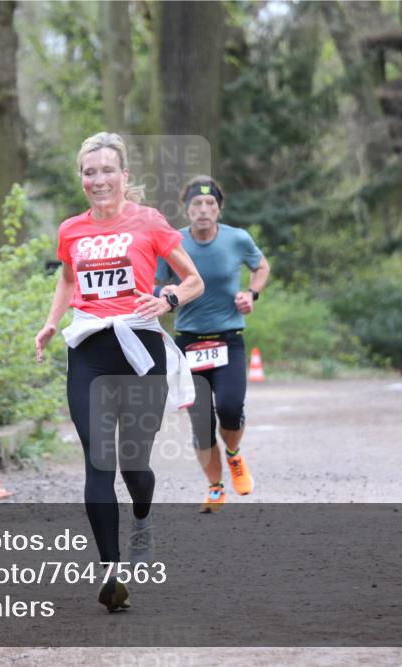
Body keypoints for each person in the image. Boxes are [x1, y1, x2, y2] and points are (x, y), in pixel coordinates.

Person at [34, 132, 204, 612]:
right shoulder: (72, 230)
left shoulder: (149, 222)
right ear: (81, 178)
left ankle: (143, 518)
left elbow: (194, 280)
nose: (99, 179)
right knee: (97, 461)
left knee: (134, 466)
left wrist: (167, 298)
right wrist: (51, 323)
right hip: (89, 347)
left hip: (139, 349)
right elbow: (68, 276)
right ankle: (111, 571)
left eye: (108, 170)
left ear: (125, 176)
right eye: (90, 172)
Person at [155, 175, 270, 513]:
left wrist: (252, 294)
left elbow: (260, 266)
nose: (203, 210)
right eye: (196, 204)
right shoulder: (173, 242)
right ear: (186, 209)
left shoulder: (238, 239)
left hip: (228, 340)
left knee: (231, 409)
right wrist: (161, 294)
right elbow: (155, 282)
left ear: (219, 209)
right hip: (188, 344)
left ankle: (233, 455)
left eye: (210, 204)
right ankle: (215, 487)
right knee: (200, 422)